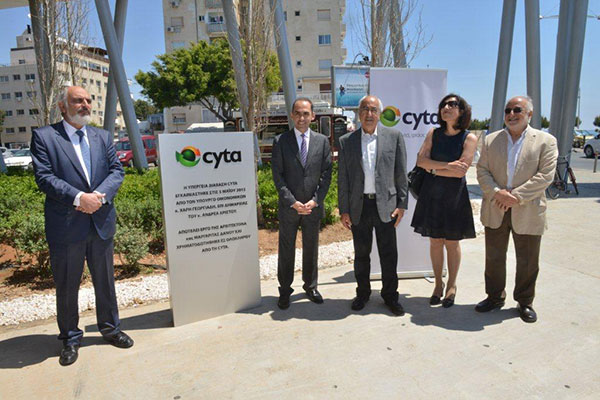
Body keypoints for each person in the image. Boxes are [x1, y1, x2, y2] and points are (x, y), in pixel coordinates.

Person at [30, 86, 132, 366]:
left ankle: (110, 329)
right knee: (67, 285)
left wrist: (98, 196)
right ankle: (71, 339)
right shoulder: (44, 137)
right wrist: (79, 198)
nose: (85, 104)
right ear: (63, 107)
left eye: (88, 100)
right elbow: (44, 177)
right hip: (66, 226)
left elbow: (116, 171)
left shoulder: (102, 136)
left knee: (105, 281)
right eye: (78, 100)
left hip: (100, 221)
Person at [475, 95, 558, 323]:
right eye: (508, 110)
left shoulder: (546, 141)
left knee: (528, 261)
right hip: (496, 207)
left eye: (517, 110)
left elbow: (545, 175)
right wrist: (497, 193)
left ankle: (524, 301)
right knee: (494, 257)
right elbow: (482, 171)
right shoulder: (491, 140)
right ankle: (494, 297)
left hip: (528, 209)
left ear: (529, 114)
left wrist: (515, 197)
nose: (511, 114)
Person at [338, 95, 408, 316]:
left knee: (389, 255)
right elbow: (343, 178)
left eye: (373, 110)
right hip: (359, 207)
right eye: (365, 109)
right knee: (361, 255)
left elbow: (401, 173)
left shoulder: (394, 137)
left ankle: (390, 296)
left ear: (379, 113)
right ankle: (362, 293)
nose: (369, 114)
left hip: (386, 206)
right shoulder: (346, 141)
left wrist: (402, 204)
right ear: (359, 113)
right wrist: (344, 209)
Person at [411, 94, 478, 308]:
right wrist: (447, 166)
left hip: (454, 196)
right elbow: (420, 161)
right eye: (443, 105)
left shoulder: (469, 138)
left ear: (462, 110)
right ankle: (438, 284)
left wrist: (433, 168)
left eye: (452, 104)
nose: (446, 108)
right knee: (435, 241)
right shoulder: (433, 133)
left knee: (452, 242)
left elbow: (460, 172)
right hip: (432, 194)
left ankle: (451, 285)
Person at [271, 97, 332, 309]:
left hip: (312, 207)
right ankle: (285, 290)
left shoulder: (322, 142)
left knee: (311, 248)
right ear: (292, 115)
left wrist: (315, 201)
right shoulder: (281, 141)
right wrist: (292, 201)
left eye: (306, 113)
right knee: (286, 249)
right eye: (297, 113)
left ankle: (311, 286)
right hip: (290, 208)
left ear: (313, 116)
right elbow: (278, 176)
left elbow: (326, 174)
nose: (302, 118)